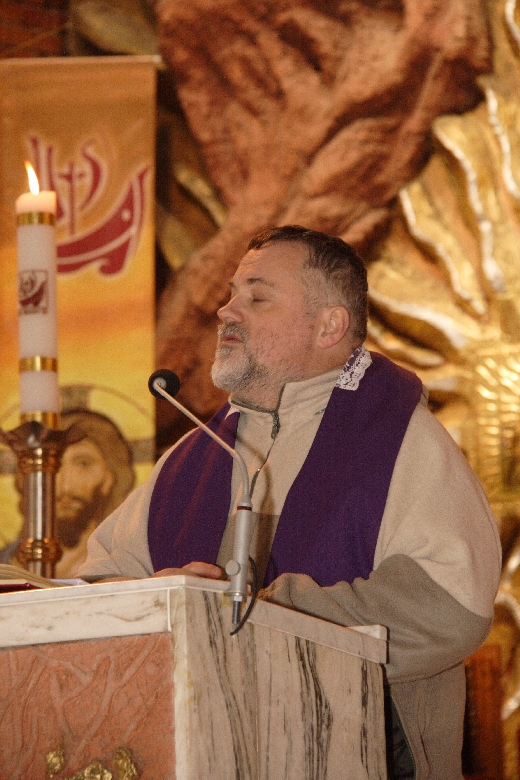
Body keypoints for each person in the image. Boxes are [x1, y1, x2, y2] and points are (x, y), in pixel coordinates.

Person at [79, 225, 501, 779]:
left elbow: (450, 608)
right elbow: (95, 589)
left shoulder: (399, 439)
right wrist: (165, 601)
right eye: (231, 294)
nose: (226, 311)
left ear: (329, 326)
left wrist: (266, 620)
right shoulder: (194, 456)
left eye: (257, 298)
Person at [0, 409, 135, 578]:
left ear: (110, 477)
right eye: (54, 465)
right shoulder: (5, 566)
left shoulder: (123, 565)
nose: (65, 486)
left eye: (83, 464)